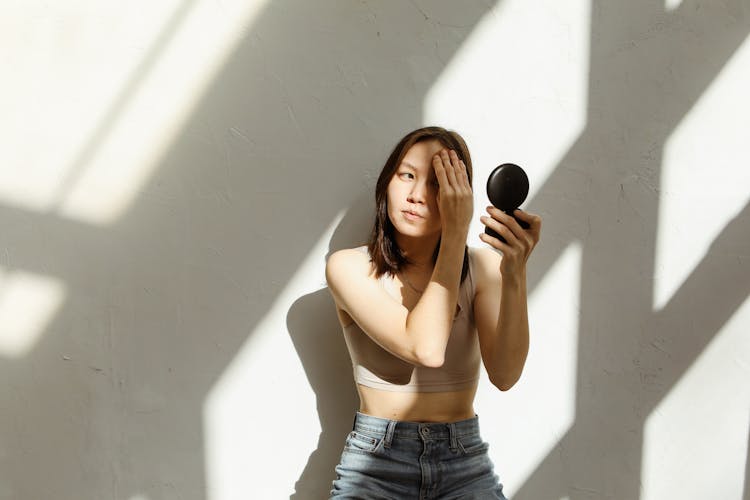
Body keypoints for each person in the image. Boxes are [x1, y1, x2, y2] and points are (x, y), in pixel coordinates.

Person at [325, 126, 541, 499]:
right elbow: (425, 348)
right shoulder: (349, 267)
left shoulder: (482, 269)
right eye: (407, 175)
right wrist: (456, 233)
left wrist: (515, 271)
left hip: (464, 462)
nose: (416, 196)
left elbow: (505, 375)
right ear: (386, 183)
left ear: (461, 194)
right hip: (376, 465)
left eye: (437, 184)